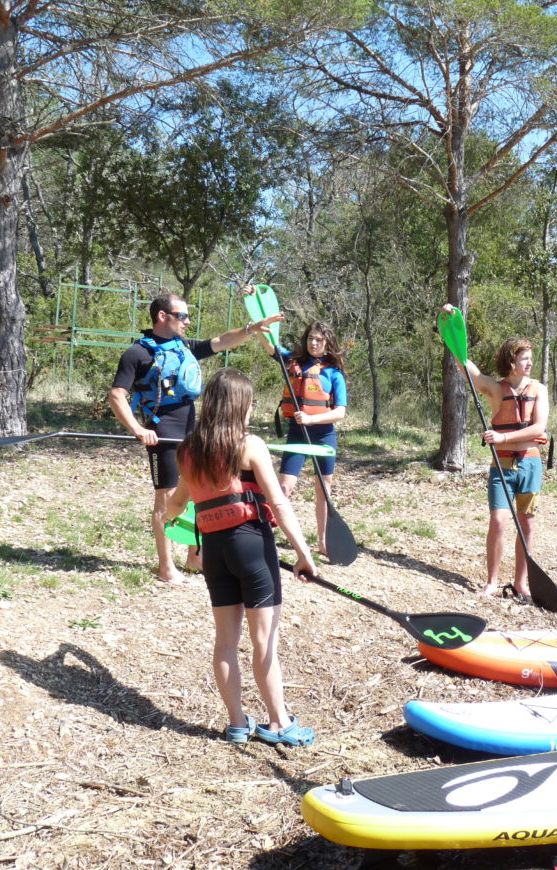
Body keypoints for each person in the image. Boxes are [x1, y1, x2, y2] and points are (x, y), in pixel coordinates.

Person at [165, 368, 317, 746]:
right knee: (264, 641)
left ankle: (236, 723)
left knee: (226, 642)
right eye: (251, 403)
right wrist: (304, 554)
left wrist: (188, 526)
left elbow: (175, 506)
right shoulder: (250, 445)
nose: (252, 410)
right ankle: (279, 723)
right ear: (238, 406)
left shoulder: (188, 451)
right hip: (252, 547)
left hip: (215, 553)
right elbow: (278, 504)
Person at [108, 293, 280, 586]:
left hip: (192, 432)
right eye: (182, 316)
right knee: (166, 499)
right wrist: (138, 429)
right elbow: (116, 396)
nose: (188, 321)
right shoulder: (137, 354)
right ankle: (166, 567)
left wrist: (251, 329)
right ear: (163, 316)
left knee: (196, 495)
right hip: (162, 435)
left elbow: (220, 342)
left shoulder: (182, 347)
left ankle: (194, 556)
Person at [441, 305, 550, 598]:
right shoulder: (494, 388)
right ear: (511, 361)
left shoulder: (539, 389)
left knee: (526, 525)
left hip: (530, 465)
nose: (529, 363)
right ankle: (491, 581)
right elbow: (466, 365)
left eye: (530, 358)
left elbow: (539, 429)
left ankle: (521, 583)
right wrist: (452, 326)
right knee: (499, 521)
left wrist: (502, 438)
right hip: (501, 469)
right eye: (524, 358)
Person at [253, 319, 347, 559]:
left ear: (327, 343)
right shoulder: (292, 362)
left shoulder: (333, 373)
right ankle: (266, 534)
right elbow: (269, 345)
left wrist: (311, 420)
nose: (313, 343)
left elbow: (340, 412)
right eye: (310, 339)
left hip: (324, 436)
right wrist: (258, 326)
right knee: (284, 488)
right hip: (297, 433)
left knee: (323, 491)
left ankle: (323, 542)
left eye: (318, 339)